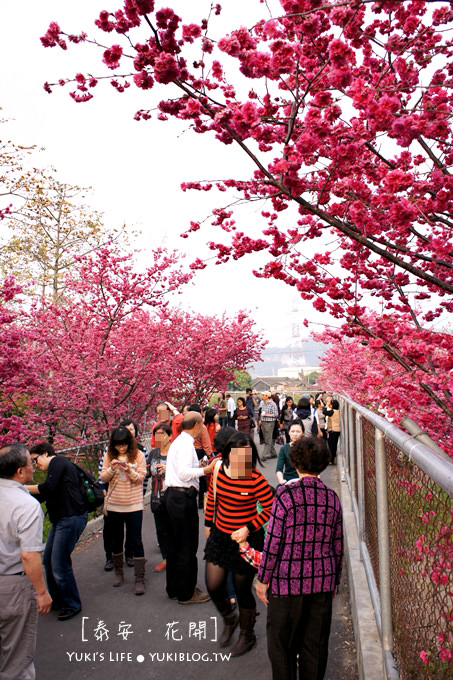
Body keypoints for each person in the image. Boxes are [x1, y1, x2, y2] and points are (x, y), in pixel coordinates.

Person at [255, 436, 344, 680]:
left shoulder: (286, 495)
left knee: (282, 647)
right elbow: (338, 546)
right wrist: (334, 580)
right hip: (321, 584)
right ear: (324, 463)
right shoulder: (332, 498)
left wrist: (262, 579)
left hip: (286, 585)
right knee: (314, 648)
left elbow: (273, 542)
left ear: (295, 463)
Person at [204, 433, 274, 657]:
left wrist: (248, 528)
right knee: (213, 585)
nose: (241, 459)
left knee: (242, 589)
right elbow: (212, 499)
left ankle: (247, 635)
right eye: (236, 454)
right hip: (220, 536)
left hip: (247, 540)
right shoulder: (218, 471)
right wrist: (208, 525)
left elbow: (272, 510)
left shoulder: (256, 479)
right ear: (228, 454)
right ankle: (229, 617)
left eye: (246, 456)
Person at [0, 443, 52, 680]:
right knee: (17, 657)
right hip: (12, 585)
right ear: (20, 472)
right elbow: (29, 554)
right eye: (30, 464)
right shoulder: (26, 505)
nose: (34, 468)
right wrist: (41, 592)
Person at [26, 441, 87, 621]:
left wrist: (22, 488)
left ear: (45, 453)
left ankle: (72, 604)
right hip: (61, 520)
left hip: (70, 518)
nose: (36, 465)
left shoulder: (58, 461)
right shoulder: (56, 469)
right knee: (48, 560)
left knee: (59, 563)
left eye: (35, 460)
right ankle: (58, 600)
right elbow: (44, 495)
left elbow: (47, 488)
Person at [164, 411, 217, 604]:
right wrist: (207, 469)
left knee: (175, 545)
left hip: (173, 496)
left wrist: (202, 464)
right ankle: (186, 593)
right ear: (196, 425)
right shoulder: (186, 444)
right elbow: (185, 473)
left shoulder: (179, 441)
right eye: (202, 424)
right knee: (187, 546)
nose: (203, 427)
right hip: (182, 497)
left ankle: (175, 588)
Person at [100, 426, 147, 595]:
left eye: (125, 444)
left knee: (136, 540)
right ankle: (118, 572)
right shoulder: (109, 455)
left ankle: (139, 578)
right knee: (116, 539)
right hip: (114, 505)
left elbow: (141, 478)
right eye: (118, 445)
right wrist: (112, 468)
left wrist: (129, 470)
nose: (122, 448)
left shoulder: (139, 455)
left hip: (134, 505)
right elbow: (103, 477)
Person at [148, 423, 172, 573]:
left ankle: (174, 556)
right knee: (161, 530)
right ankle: (166, 558)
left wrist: (168, 469)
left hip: (172, 498)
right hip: (157, 498)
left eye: (162, 434)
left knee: (173, 529)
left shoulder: (175, 453)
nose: (159, 437)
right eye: (156, 434)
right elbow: (147, 473)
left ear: (169, 436)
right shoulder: (153, 454)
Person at [275, 419, 304, 486]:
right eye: (293, 431)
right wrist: (281, 480)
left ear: (302, 433)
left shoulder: (308, 448)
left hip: (304, 481)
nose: (295, 434)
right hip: (288, 481)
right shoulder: (284, 448)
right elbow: (279, 469)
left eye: (298, 431)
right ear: (289, 433)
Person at [259, 391, 279, 460]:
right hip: (263, 422)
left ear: (267, 396)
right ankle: (273, 453)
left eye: (263, 395)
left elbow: (275, 414)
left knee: (268, 439)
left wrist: (266, 415)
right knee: (267, 438)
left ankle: (265, 454)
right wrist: (260, 419)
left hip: (270, 422)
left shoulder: (272, 404)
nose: (262, 396)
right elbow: (260, 411)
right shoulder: (262, 403)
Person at [325, 398, 341, 464]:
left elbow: (324, 411)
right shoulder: (338, 411)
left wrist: (327, 405)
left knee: (331, 445)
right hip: (337, 430)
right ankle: (332, 459)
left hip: (332, 430)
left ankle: (331, 459)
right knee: (334, 445)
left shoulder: (332, 412)